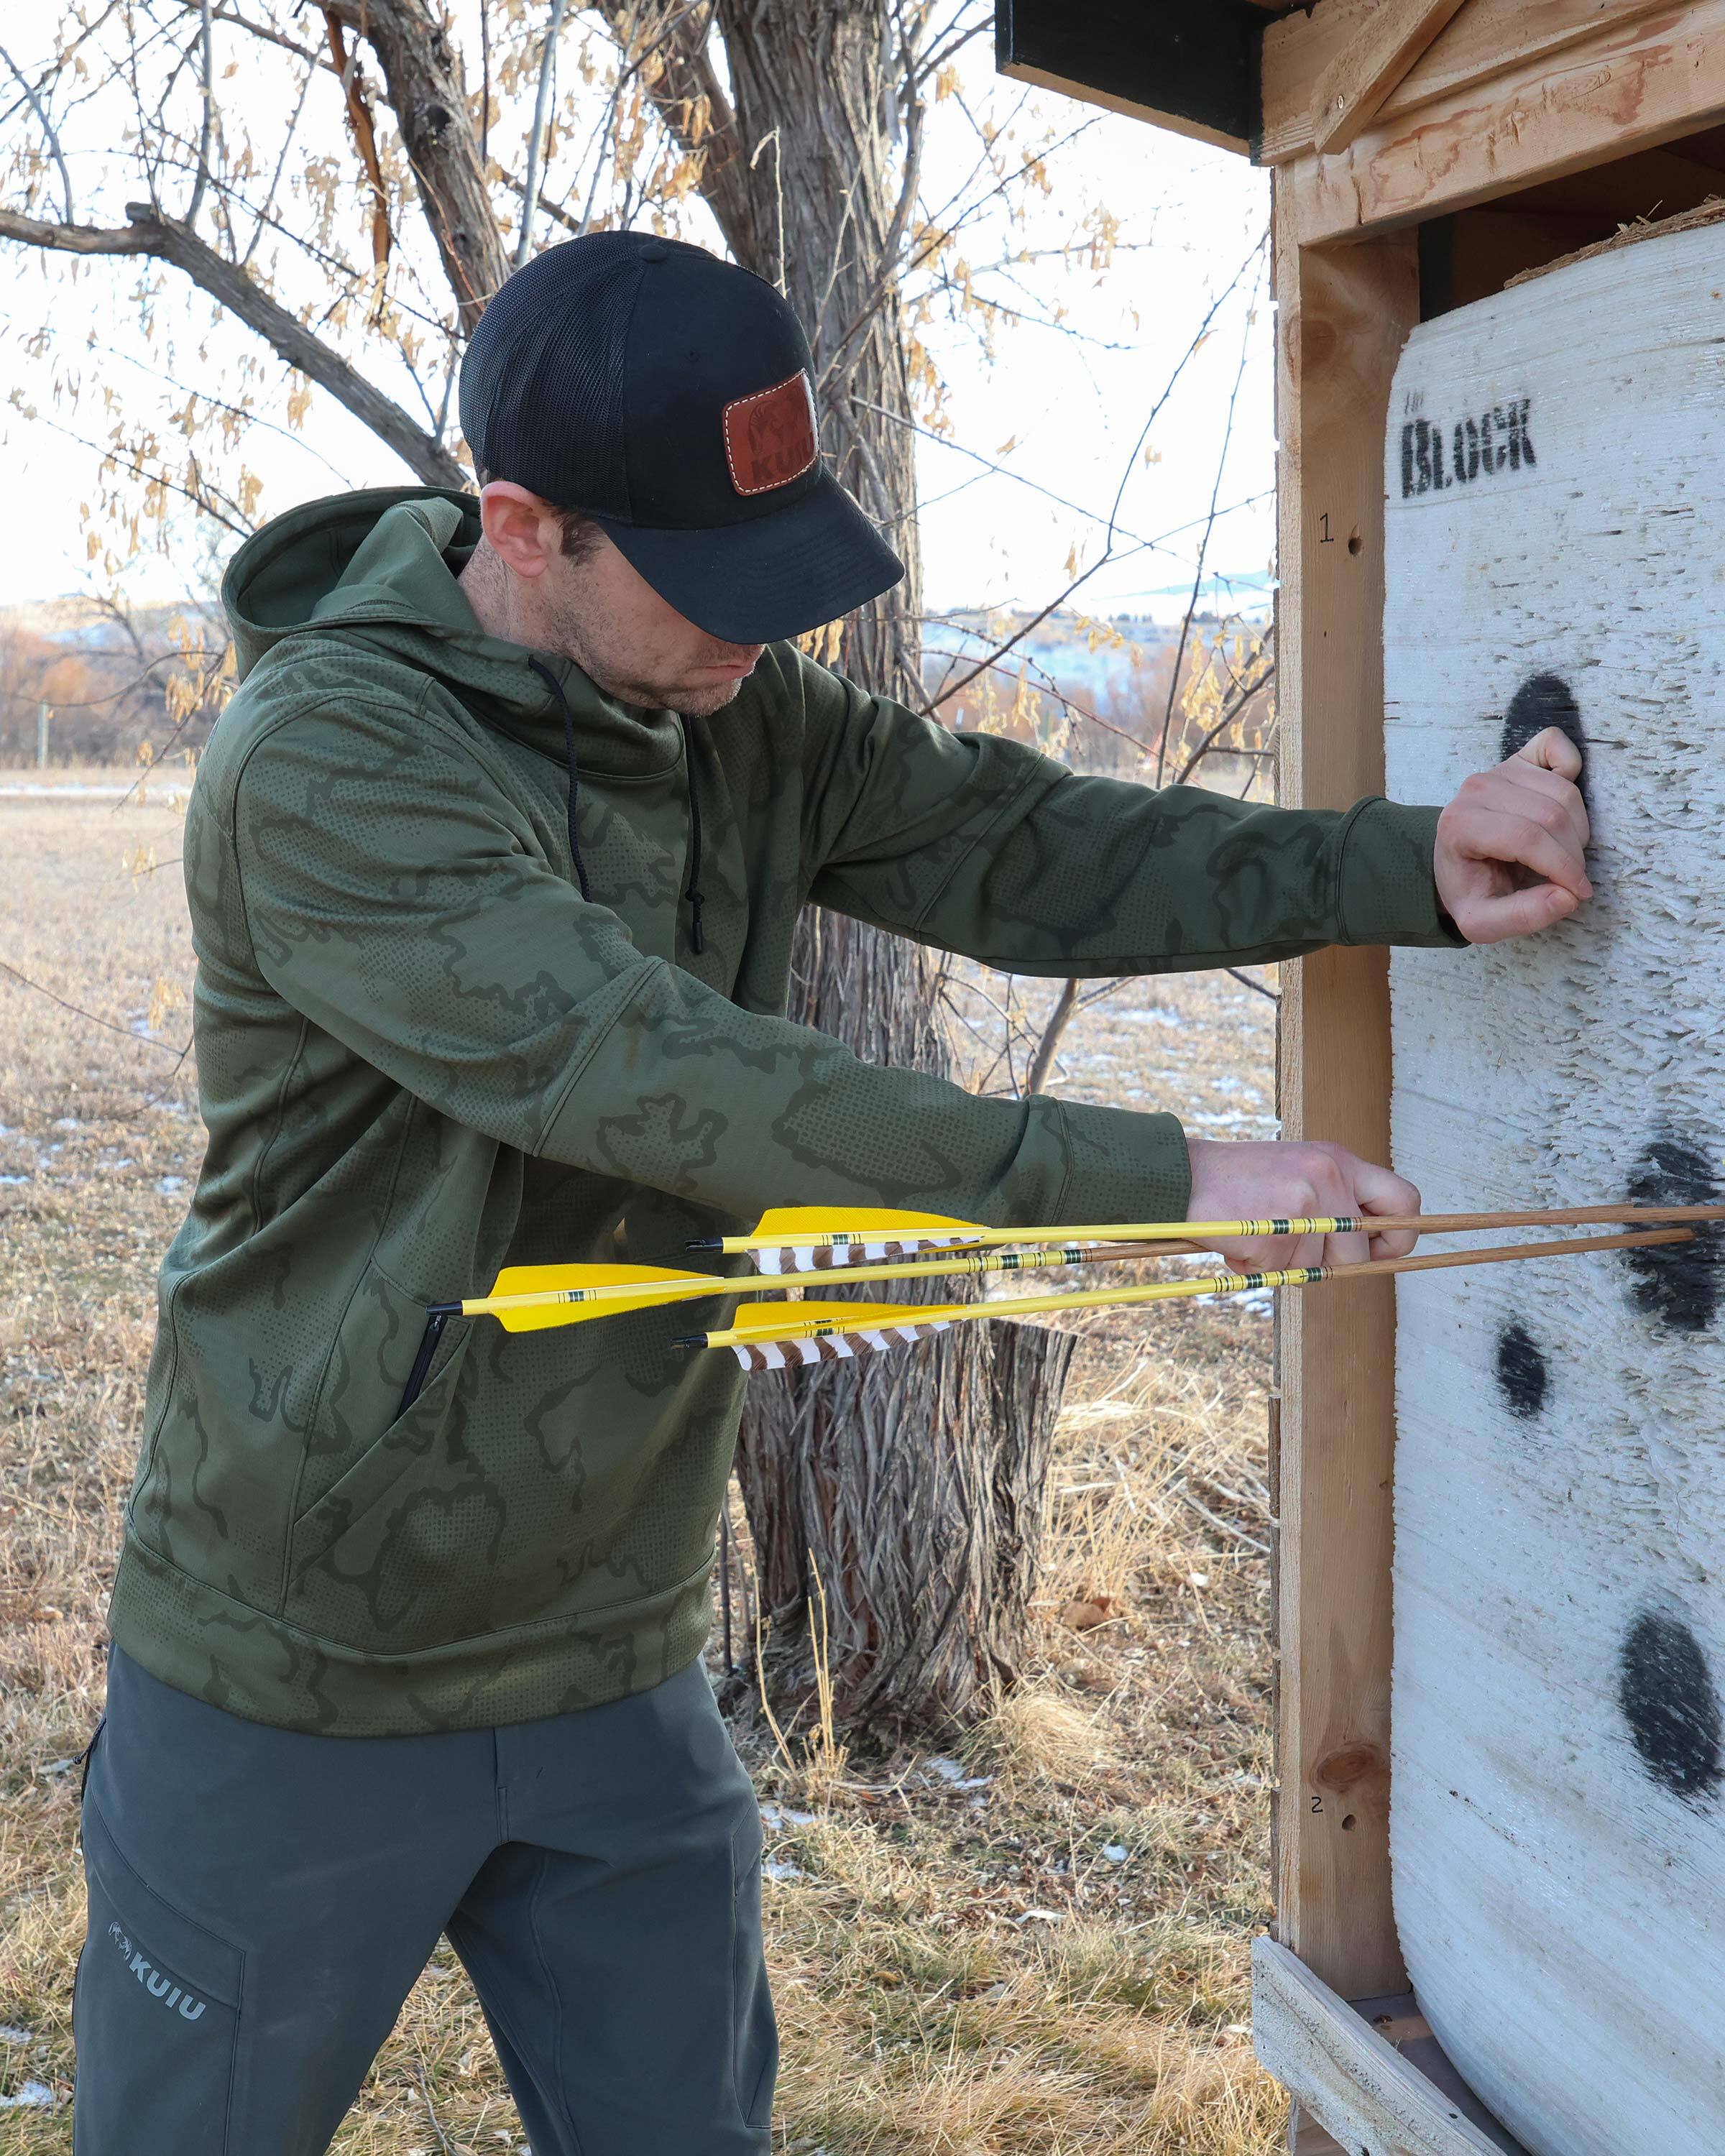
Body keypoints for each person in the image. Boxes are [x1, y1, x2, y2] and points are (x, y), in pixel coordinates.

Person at [72, 233, 1591, 2156]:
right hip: (299, 1664)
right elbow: (664, 1078)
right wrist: (1162, 1178)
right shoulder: (330, 764)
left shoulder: (737, 713)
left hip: (612, 1647)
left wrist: (1398, 864)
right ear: (524, 530)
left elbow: (1028, 842)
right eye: (710, 583)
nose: (761, 632)